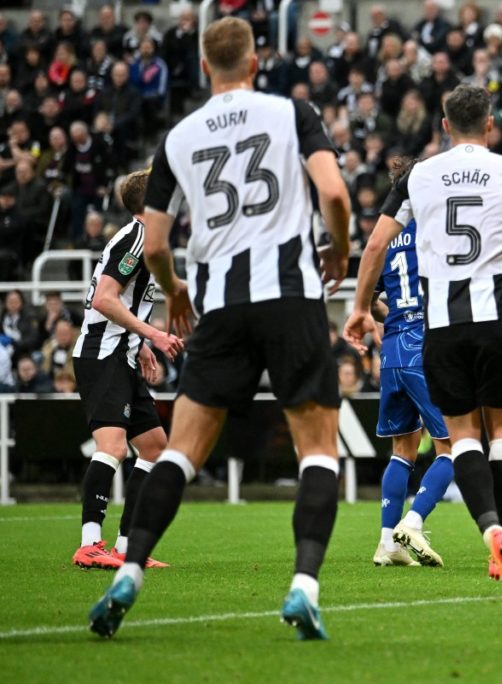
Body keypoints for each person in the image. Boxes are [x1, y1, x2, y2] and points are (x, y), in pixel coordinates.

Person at [89, 18, 352, 641]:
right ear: (255, 63)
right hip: (291, 297)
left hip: (221, 307)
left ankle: (128, 573)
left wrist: (175, 289)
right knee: (318, 450)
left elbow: (153, 243)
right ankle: (303, 587)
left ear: (206, 67)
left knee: (180, 452)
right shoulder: (291, 111)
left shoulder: (178, 136)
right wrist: (337, 247)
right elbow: (335, 195)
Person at [344, 84, 502, 595]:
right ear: (490, 125)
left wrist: (359, 307)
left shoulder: (420, 174)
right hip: (499, 322)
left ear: (445, 125)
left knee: (461, 437)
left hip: (439, 328)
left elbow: (376, 242)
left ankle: (489, 530)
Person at [71, 170, 183, 571]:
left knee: (154, 447)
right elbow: (104, 298)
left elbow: (125, 304)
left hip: (122, 354)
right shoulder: (135, 238)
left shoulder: (147, 241)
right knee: (114, 447)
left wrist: (141, 344)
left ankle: (125, 547)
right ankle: (90, 543)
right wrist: (153, 332)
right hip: (101, 355)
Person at [369, 163, 455, 569]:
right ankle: (413, 522)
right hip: (426, 346)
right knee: (453, 445)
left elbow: (371, 299)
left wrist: (395, 316)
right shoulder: (433, 227)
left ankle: (387, 543)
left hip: (392, 349)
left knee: (402, 450)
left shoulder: (385, 237)